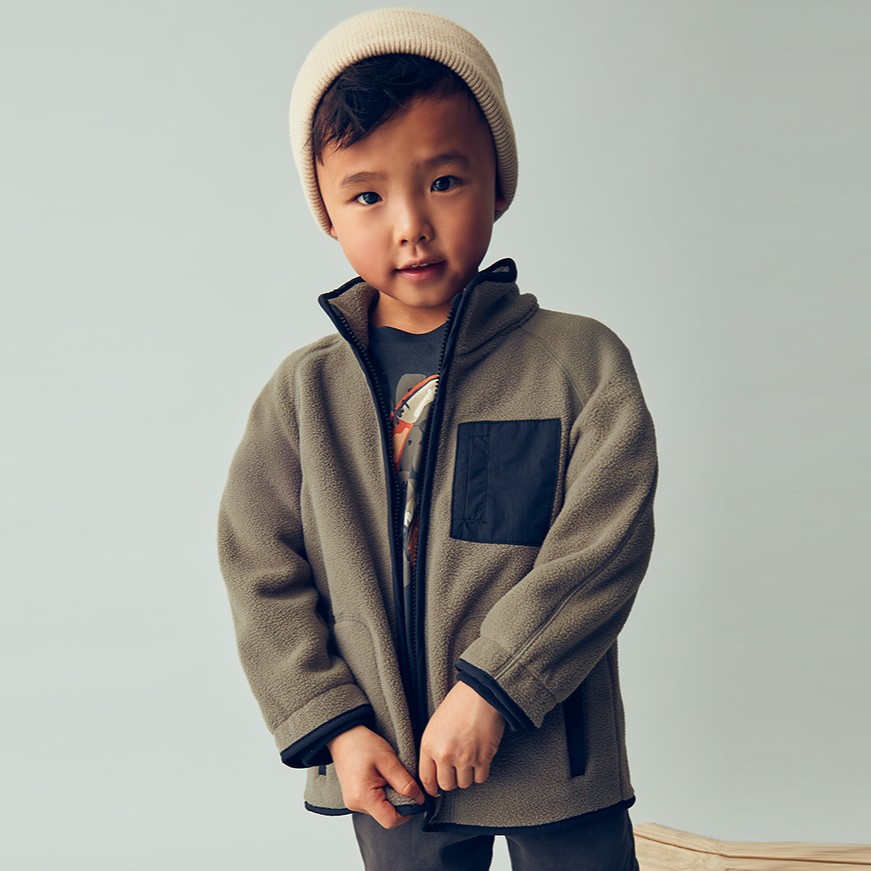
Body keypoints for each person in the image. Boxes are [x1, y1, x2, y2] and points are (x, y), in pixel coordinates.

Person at [218, 9, 657, 870]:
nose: (410, 223)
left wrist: (494, 685)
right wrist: (336, 725)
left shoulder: (580, 363)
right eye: (368, 195)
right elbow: (257, 567)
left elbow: (602, 546)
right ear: (327, 213)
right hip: (385, 763)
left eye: (444, 181)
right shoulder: (303, 395)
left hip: (548, 754)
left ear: (498, 184)